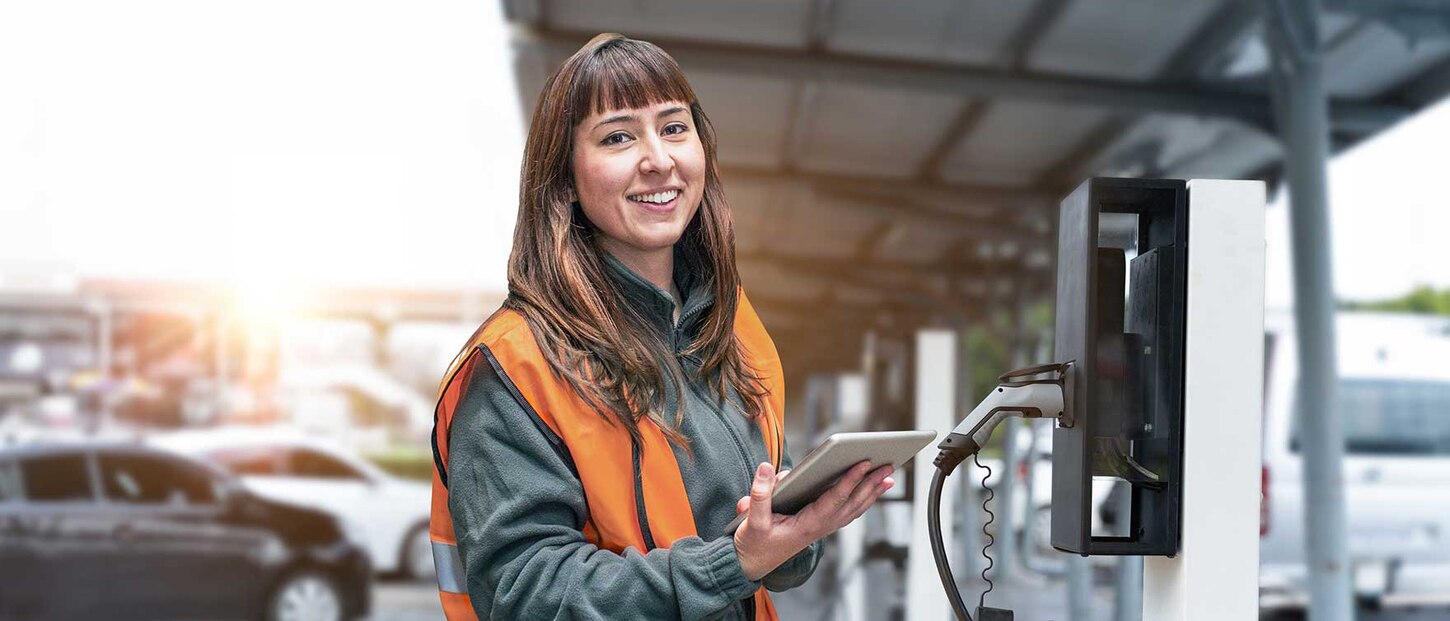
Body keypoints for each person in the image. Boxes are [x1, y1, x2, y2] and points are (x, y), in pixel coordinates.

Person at [428, 32, 896, 621]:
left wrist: (799, 531)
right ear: (565, 179)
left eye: (674, 128)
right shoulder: (516, 365)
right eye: (619, 136)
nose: (659, 159)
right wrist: (735, 564)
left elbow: (759, 550)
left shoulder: (735, 332)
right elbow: (525, 593)